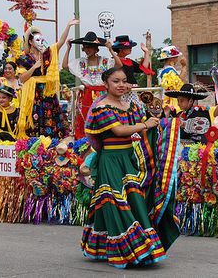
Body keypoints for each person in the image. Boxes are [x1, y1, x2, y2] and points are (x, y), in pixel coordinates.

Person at [82, 67, 179, 268]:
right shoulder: (102, 108)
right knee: (115, 202)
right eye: (116, 81)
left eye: (124, 81)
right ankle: (129, 250)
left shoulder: (131, 105)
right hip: (111, 159)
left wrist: (161, 117)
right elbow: (119, 130)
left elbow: (148, 119)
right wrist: (146, 125)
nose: (121, 85)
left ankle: (129, 247)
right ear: (106, 83)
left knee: (135, 200)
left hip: (129, 158)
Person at [16, 18, 79, 138]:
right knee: (33, 120)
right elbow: (22, 78)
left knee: (51, 120)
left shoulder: (47, 54)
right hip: (32, 93)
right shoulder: (24, 58)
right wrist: (34, 66)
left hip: (47, 92)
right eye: (37, 40)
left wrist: (68, 26)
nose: (40, 42)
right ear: (31, 42)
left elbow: (60, 42)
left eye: (42, 39)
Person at [62, 31, 122, 139]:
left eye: (90, 47)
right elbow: (65, 65)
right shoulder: (81, 63)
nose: (87, 49)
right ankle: (85, 143)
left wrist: (110, 50)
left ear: (96, 48)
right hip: (87, 95)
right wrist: (68, 48)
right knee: (86, 118)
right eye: (85, 47)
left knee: (104, 119)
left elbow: (119, 64)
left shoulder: (105, 61)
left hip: (102, 95)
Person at [111, 35, 154, 102]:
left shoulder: (129, 61)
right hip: (120, 92)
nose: (130, 48)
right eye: (128, 47)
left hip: (132, 92)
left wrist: (146, 52)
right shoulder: (113, 62)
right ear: (120, 49)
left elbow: (143, 68)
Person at [157, 45, 187, 115]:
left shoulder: (166, 69)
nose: (177, 59)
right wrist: (184, 66)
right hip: (171, 101)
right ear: (171, 59)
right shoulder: (169, 70)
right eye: (176, 57)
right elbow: (178, 83)